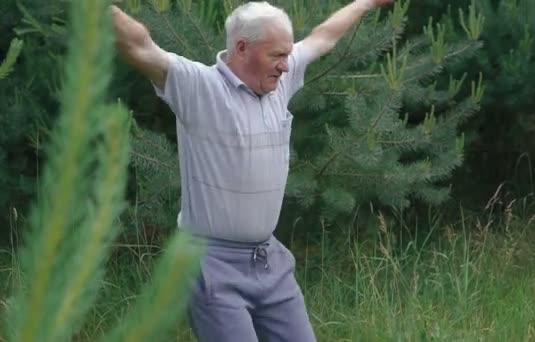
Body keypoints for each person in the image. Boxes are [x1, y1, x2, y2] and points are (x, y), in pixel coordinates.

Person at [111, 0, 393, 341]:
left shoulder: (278, 85)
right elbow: (138, 45)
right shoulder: (197, 87)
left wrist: (365, 3)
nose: (286, 66)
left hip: (269, 262)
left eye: (287, 55)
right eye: (277, 55)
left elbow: (323, 37)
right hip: (211, 265)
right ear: (242, 48)